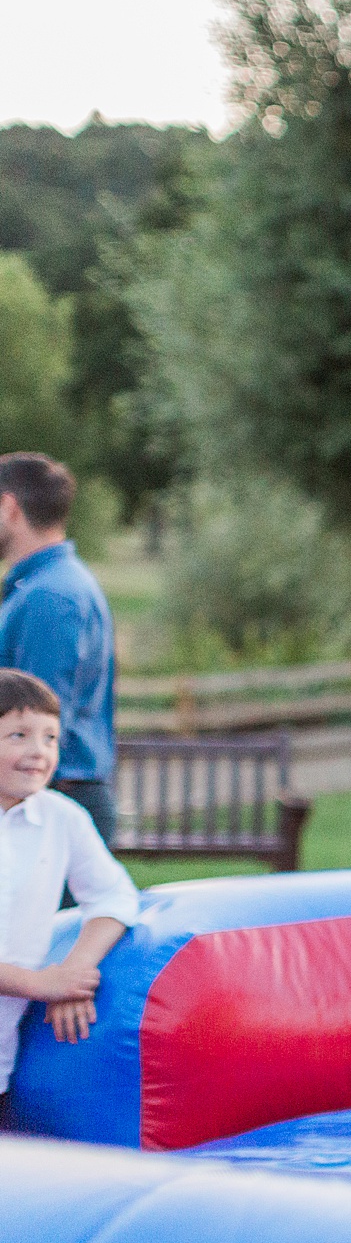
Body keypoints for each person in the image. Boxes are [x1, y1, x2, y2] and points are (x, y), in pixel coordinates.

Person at [0, 668, 139, 1117]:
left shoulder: (62, 818)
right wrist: (40, 984)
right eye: (18, 735)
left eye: (51, 738)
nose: (38, 752)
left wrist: (74, 972)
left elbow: (114, 897)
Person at [0, 454, 118, 847]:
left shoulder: (51, 596)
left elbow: (36, 713)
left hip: (51, 803)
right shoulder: (46, 587)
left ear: (9, 507)